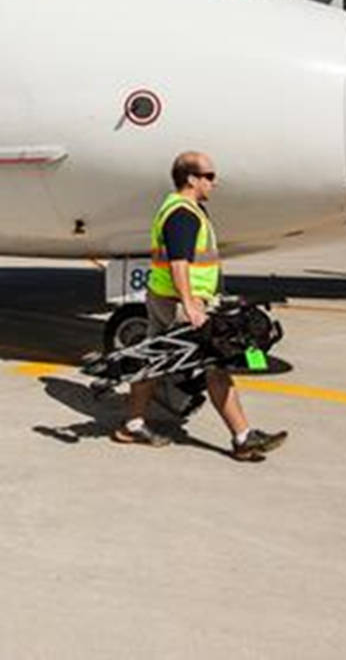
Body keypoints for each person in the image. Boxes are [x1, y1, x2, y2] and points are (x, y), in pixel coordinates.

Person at [113, 151, 288, 461]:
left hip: (165, 298)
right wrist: (191, 303)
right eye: (208, 176)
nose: (214, 182)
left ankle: (133, 424)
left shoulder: (185, 209)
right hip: (179, 302)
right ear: (191, 179)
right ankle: (243, 437)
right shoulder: (183, 213)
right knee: (216, 363)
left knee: (153, 360)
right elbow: (179, 262)